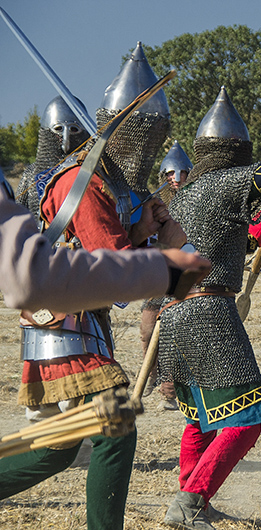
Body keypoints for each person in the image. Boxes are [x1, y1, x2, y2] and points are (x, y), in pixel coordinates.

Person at [0, 43, 186, 530]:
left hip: (78, 319)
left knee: (57, 448)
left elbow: (104, 253)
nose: (146, 143)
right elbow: (114, 274)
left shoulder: (101, 179)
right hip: (66, 324)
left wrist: (142, 232)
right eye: (142, 131)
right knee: (113, 426)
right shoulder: (82, 183)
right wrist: (165, 253)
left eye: (154, 134)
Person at [157, 86, 261, 530]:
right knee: (246, 419)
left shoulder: (187, 194)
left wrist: (255, 237)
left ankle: (191, 498)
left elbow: (212, 246)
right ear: (235, 151)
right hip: (207, 311)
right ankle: (191, 500)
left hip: (176, 313)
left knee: (202, 420)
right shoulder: (224, 182)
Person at [0, 168, 208, 313]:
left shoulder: (91, 180)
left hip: (83, 325)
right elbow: (117, 289)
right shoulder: (86, 185)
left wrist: (139, 234)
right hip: (69, 335)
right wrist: (165, 255)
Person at [141, 140, 195, 412]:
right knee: (147, 331)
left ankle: (169, 393)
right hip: (156, 277)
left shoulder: (198, 202)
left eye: (182, 172)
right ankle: (149, 376)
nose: (177, 178)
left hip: (184, 278)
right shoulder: (153, 203)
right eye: (171, 173)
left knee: (174, 338)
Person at [16, 96, 91, 219]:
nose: (66, 138)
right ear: (47, 132)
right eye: (58, 129)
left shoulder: (91, 171)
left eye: (74, 129)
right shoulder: (31, 173)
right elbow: (18, 217)